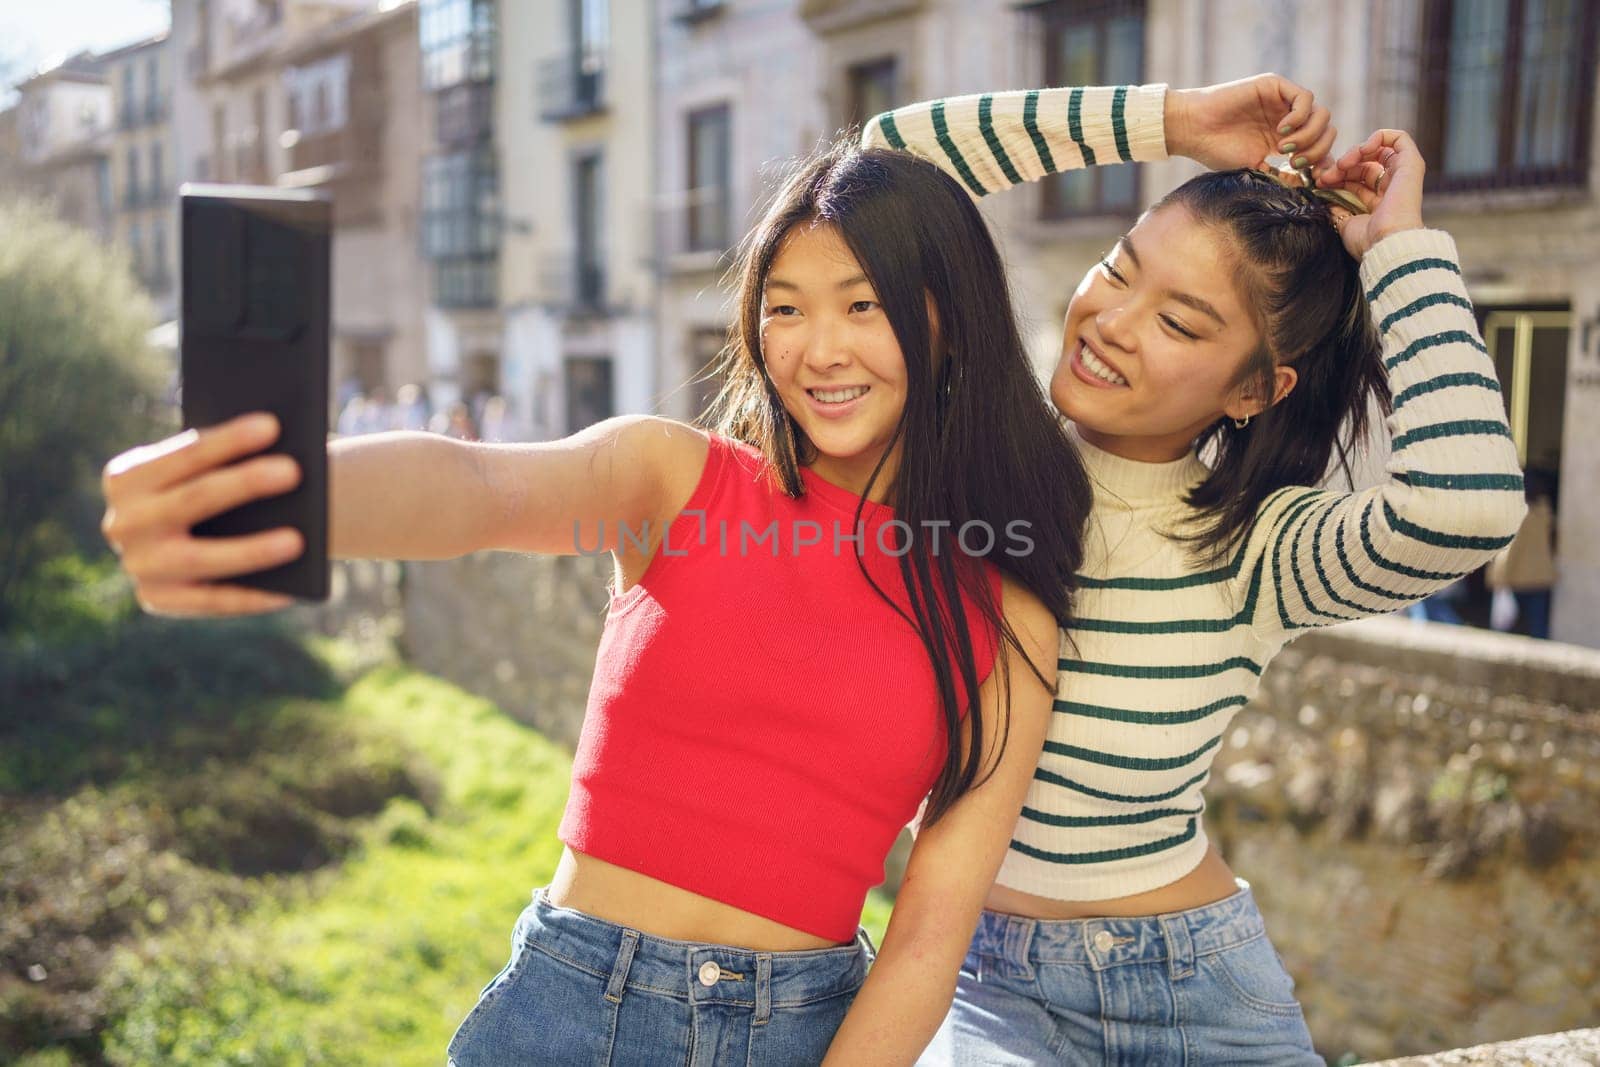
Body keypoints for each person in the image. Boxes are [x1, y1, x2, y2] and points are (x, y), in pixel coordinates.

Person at [99, 142, 1095, 1064]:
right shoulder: (673, 477)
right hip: (567, 1009)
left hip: (794, 1033)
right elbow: (477, 490)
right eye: (784, 307)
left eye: (862, 304)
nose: (816, 348)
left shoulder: (1008, 617)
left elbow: (927, 936)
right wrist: (279, 498)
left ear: (948, 323)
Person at [865, 74, 1527, 1064]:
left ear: (1257, 388)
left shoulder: (1261, 547)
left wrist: (1396, 248)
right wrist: (1171, 124)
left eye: (1179, 323)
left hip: (1193, 987)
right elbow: (878, 179)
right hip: (974, 979)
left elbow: (1464, 506)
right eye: (1117, 268)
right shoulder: (969, 462)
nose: (1112, 321)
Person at [1486, 469, 1557, 638]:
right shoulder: (1545, 511)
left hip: (1516, 578)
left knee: (1504, 629)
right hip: (1541, 577)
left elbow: (1508, 550)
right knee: (1538, 627)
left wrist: (1497, 579)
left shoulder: (1516, 513)